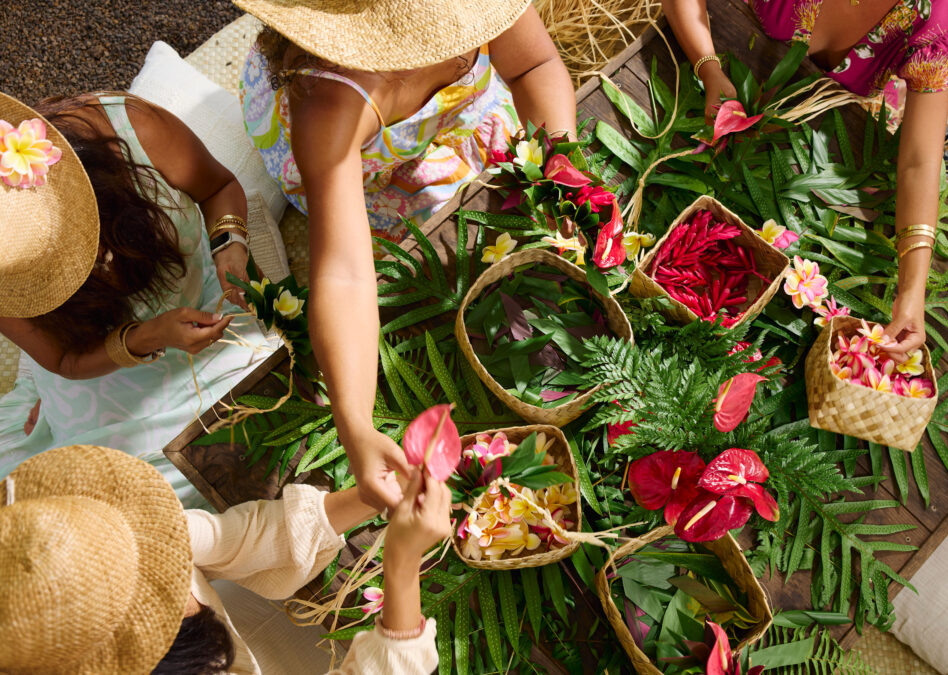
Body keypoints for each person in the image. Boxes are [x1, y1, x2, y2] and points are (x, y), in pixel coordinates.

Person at [237, 0, 578, 513]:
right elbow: (346, 274)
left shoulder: (478, 11)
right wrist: (355, 426)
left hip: (443, 121)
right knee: (392, 252)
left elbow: (534, 67)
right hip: (356, 157)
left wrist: (561, 168)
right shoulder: (329, 102)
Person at [0, 92, 272, 506]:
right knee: (133, 498)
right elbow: (64, 360)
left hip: (212, 304)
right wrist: (145, 338)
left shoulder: (132, 128)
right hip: (109, 363)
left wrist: (229, 244)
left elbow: (217, 186)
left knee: (265, 423)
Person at [662, 0, 948, 355]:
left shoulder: (936, 25)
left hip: (813, 136)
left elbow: (919, 162)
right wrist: (708, 67)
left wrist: (912, 293)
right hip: (716, 58)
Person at [0, 444, 448, 673]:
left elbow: (236, 537)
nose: (162, 562)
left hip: (258, 633)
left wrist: (368, 495)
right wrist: (401, 566)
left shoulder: (112, 526)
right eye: (147, 589)